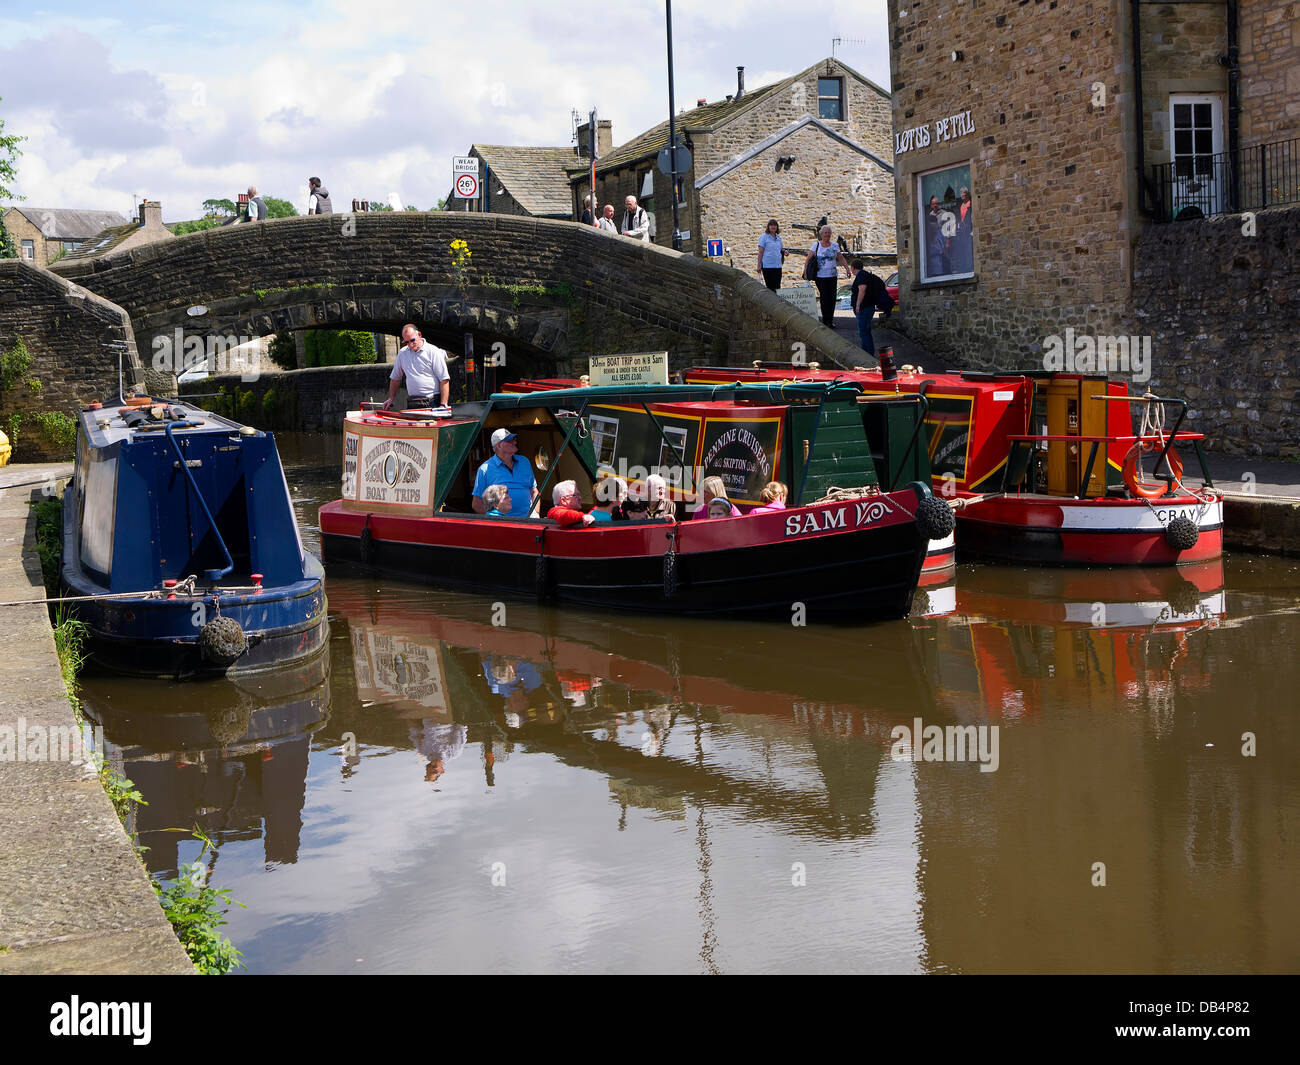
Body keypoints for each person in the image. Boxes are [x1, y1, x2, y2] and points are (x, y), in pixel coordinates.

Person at [473, 428, 539, 515]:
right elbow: (476, 503)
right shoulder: (485, 469)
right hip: (504, 524)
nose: (515, 442)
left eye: (514, 440)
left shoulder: (524, 462)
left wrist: (536, 513)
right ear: (499, 445)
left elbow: (534, 491)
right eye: (510, 441)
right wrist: (494, 519)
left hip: (529, 521)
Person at [384, 324, 450, 409]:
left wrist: (443, 404)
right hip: (413, 402)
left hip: (432, 401)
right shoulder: (402, 353)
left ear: (419, 335)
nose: (410, 344)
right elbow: (395, 378)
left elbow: (444, 378)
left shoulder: (433, 351)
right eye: (407, 342)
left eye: (412, 340)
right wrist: (391, 398)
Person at [803, 224, 851, 328]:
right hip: (820, 276)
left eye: (829, 233)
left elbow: (841, 258)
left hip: (832, 276)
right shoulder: (816, 245)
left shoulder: (834, 245)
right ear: (821, 234)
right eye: (825, 233)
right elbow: (808, 259)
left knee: (832, 298)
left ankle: (830, 319)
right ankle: (825, 320)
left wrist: (847, 269)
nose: (827, 234)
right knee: (824, 297)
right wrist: (805, 271)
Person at [850, 259, 894, 356]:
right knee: (865, 331)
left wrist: (858, 305)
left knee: (864, 332)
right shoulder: (865, 274)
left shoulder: (861, 275)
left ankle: (868, 355)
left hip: (864, 308)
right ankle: (866, 353)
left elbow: (862, 289)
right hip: (868, 307)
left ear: (853, 268)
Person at [756, 218, 788, 291]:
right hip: (768, 266)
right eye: (771, 225)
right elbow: (760, 252)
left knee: (777, 288)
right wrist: (759, 265)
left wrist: (785, 251)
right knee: (770, 288)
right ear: (768, 227)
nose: (773, 227)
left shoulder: (778, 238)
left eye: (775, 225)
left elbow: (781, 249)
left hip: (777, 266)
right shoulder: (764, 237)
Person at [953, 187, 973, 274]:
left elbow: (973, 218)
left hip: (969, 232)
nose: (962, 195)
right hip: (962, 233)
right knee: (962, 251)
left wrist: (972, 231)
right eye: (960, 193)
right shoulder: (960, 206)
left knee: (969, 250)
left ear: (967, 194)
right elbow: (959, 219)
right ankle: (963, 268)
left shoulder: (971, 205)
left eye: (963, 193)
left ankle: (970, 268)